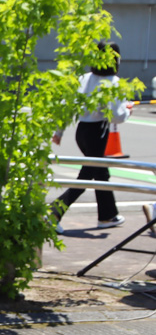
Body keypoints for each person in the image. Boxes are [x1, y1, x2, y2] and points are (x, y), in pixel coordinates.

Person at [51, 42, 133, 233]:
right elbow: (117, 116)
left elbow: (67, 104)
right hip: (98, 132)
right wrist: (128, 111)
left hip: (82, 131)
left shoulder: (84, 78)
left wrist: (59, 132)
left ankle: (107, 215)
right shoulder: (113, 82)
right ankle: (53, 212)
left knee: (100, 173)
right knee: (86, 177)